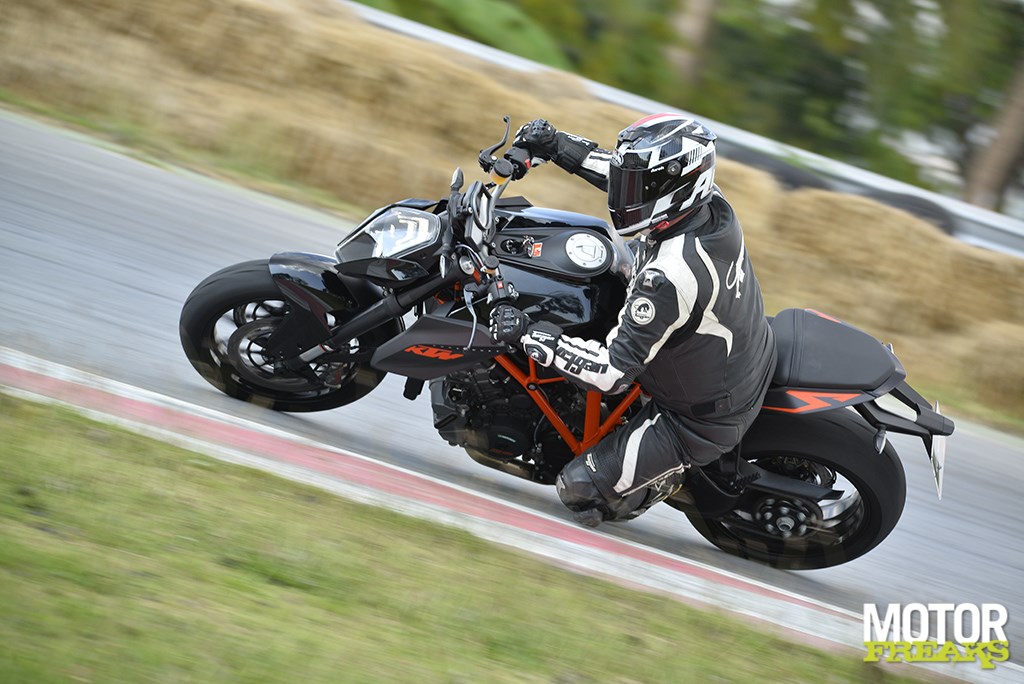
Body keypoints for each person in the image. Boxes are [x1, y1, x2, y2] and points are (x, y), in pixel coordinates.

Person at [488, 113, 777, 527]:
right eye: (631, 183)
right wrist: (555, 144)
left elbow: (611, 375)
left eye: (639, 186)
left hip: (700, 416)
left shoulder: (670, 275)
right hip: (731, 355)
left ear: (676, 189)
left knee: (577, 489)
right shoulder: (708, 202)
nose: (626, 194)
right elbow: (623, 174)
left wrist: (528, 334)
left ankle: (671, 475)